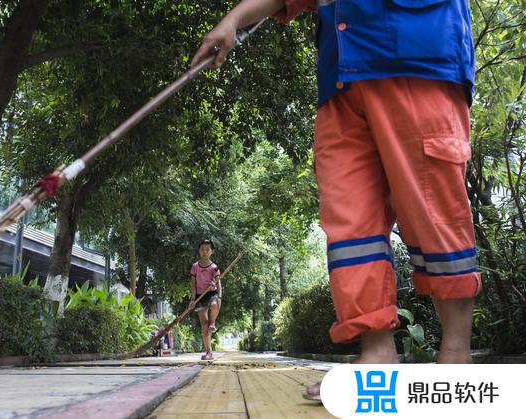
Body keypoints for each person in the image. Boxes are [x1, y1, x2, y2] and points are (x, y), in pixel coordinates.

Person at [191, 0, 481, 401]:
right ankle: (376, 354)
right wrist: (234, 20)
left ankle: (455, 356)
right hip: (341, 83)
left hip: (416, 57)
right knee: (350, 225)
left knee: (433, 210)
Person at [188, 239, 223, 361]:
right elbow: (193, 284)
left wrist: (219, 297)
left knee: (214, 305)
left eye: (207, 249)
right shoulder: (195, 267)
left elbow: (219, 285)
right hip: (199, 296)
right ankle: (209, 352)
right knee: (204, 324)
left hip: (211, 292)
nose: (204, 251)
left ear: (212, 251)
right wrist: (193, 300)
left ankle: (213, 322)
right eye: (202, 249)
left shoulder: (214, 268)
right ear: (199, 251)